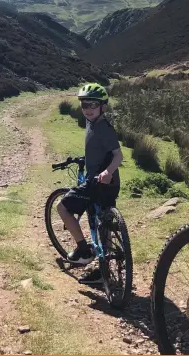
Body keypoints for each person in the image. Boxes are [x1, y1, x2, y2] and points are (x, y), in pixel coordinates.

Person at [57, 82, 123, 285]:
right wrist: (86, 160)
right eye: (84, 105)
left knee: (62, 207)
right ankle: (103, 270)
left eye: (92, 105)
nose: (88, 109)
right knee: (101, 221)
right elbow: (97, 150)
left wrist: (106, 171)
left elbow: (118, 156)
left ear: (103, 106)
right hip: (108, 183)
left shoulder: (104, 128)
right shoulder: (92, 122)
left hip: (100, 182)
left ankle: (84, 251)